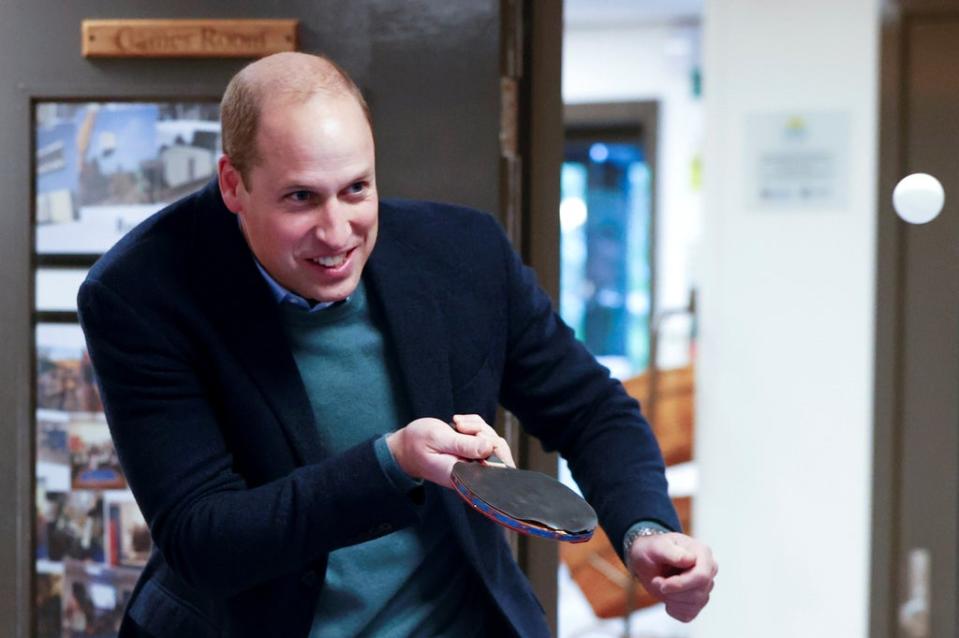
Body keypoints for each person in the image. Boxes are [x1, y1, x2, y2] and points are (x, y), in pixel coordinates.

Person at [78, 52, 717, 638]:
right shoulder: (139, 294)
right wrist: (393, 462)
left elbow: (590, 409)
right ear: (232, 184)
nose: (337, 232)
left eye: (356, 189)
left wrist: (644, 529)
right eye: (301, 198)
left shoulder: (464, 254)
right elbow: (204, 539)